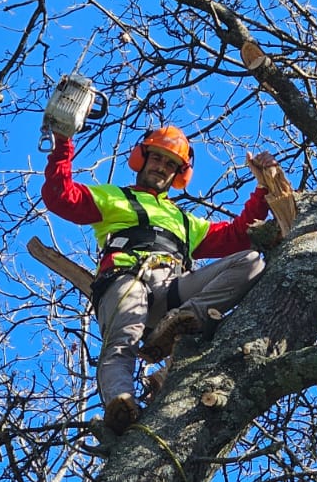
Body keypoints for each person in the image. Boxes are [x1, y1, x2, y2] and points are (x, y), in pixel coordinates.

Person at [42, 124, 273, 435]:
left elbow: (240, 235)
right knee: (122, 342)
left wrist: (265, 188)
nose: (161, 168)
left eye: (170, 164)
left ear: (178, 174)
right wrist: (62, 144)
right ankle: (120, 404)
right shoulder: (114, 197)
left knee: (251, 261)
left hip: (173, 293)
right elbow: (61, 196)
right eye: (157, 159)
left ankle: (185, 318)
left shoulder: (185, 221)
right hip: (128, 278)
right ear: (142, 158)